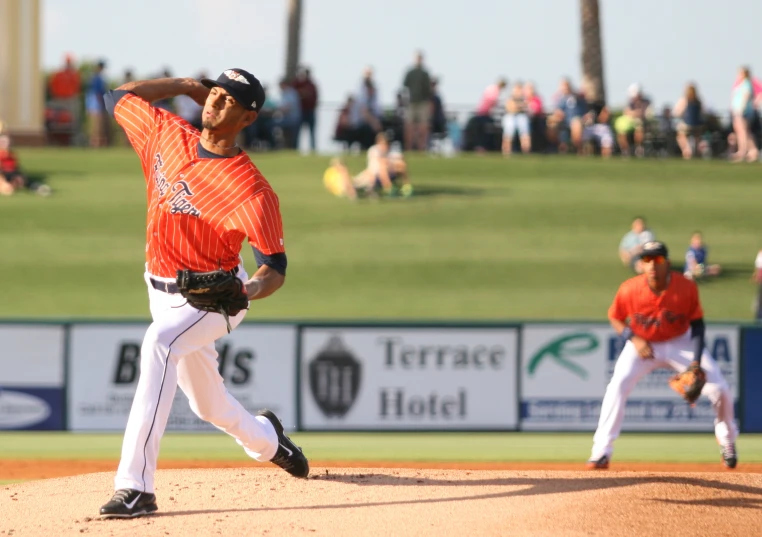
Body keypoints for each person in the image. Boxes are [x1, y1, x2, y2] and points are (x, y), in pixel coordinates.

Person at [98, 68, 309, 519]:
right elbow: (115, 97)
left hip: (216, 298)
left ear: (248, 118)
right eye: (214, 92)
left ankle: (135, 486)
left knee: (159, 342)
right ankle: (268, 439)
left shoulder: (252, 190)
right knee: (208, 404)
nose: (216, 101)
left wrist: (246, 290)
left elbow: (274, 267)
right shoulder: (165, 131)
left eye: (229, 99)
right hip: (159, 287)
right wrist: (184, 86)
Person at [587, 241, 738, 470]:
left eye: (657, 259)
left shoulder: (685, 287)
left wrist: (696, 362)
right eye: (647, 259)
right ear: (641, 264)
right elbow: (615, 317)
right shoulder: (629, 288)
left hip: (681, 342)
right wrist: (634, 339)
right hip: (644, 343)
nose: (652, 265)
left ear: (667, 263)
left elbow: (697, 325)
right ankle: (601, 452)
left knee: (720, 389)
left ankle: (727, 441)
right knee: (617, 385)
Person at [354, 133, 412, 198]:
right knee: (383, 167)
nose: (385, 145)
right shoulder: (374, 150)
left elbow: (400, 158)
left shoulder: (390, 150)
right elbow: (379, 164)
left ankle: (406, 187)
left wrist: (393, 163)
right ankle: (389, 188)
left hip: (388, 172)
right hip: (374, 176)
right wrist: (391, 163)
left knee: (401, 165)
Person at [402, 51, 432, 151]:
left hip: (422, 103)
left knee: (423, 127)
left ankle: (421, 148)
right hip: (411, 103)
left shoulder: (425, 73)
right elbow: (404, 87)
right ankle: (409, 148)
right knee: (409, 126)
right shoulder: (410, 73)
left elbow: (428, 90)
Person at [730, 66, 759, 163]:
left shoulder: (746, 84)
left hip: (742, 111)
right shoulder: (741, 84)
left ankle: (743, 151)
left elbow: (746, 97)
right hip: (738, 111)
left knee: (743, 132)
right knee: (744, 132)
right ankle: (752, 151)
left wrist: (740, 109)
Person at [672, 83, 705, 159]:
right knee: (697, 137)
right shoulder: (698, 101)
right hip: (698, 125)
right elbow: (703, 112)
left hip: (687, 124)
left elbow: (677, 112)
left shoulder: (684, 100)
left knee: (680, 135)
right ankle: (696, 152)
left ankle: (687, 149)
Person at [293, 67, 319, 152]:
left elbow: (314, 97)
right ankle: (295, 148)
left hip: (310, 111)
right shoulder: (298, 83)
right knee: (298, 131)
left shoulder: (311, 85)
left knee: (312, 132)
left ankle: (313, 148)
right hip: (301, 111)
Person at [501, 82, 531, 155]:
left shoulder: (524, 99)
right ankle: (506, 151)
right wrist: (519, 107)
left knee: (525, 134)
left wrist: (518, 107)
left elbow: (526, 108)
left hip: (521, 117)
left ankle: (526, 151)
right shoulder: (509, 98)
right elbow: (510, 108)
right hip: (510, 117)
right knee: (508, 134)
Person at [85, 60, 109, 147]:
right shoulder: (96, 78)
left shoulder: (95, 77)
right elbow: (97, 92)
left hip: (95, 102)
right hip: (96, 102)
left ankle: (96, 142)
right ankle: (95, 142)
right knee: (96, 123)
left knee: (96, 123)